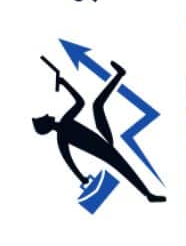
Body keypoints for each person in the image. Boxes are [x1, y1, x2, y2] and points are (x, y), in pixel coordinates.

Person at [32, 60, 166, 203]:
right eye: (44, 118)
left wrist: (81, 177)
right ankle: (148, 195)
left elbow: (80, 102)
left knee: (97, 105)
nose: (47, 115)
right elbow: (69, 159)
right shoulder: (63, 129)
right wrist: (64, 84)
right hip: (105, 149)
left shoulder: (62, 132)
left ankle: (119, 74)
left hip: (103, 139)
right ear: (46, 124)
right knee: (125, 169)